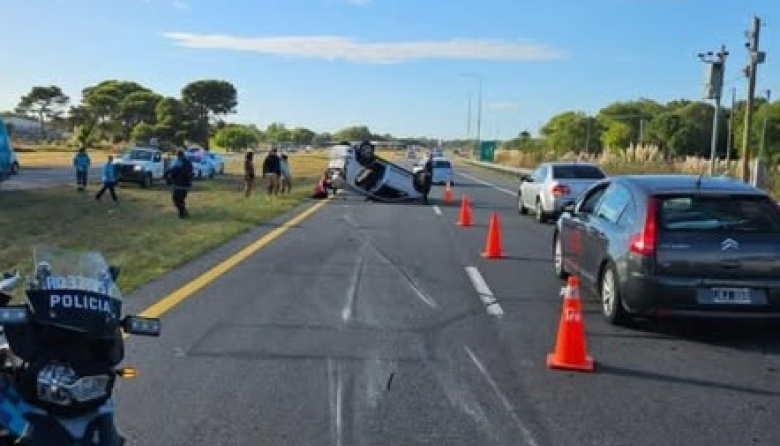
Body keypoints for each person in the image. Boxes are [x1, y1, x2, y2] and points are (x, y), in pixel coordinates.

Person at [166, 149, 194, 218]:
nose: (177, 156)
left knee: (178, 199)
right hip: (180, 184)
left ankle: (182, 213)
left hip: (182, 184)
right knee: (178, 199)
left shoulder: (184, 162)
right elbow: (171, 170)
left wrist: (170, 174)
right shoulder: (179, 161)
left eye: (177, 154)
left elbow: (177, 170)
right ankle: (183, 212)